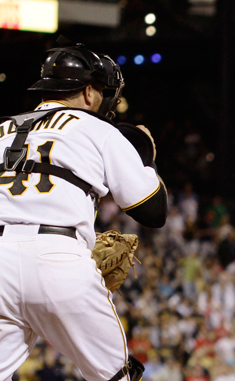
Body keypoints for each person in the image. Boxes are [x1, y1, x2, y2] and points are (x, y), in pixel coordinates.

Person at [0, 37, 167, 380]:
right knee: (116, 376)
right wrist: (146, 155)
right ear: (90, 92)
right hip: (56, 258)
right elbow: (153, 211)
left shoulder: (2, 128)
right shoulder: (97, 128)